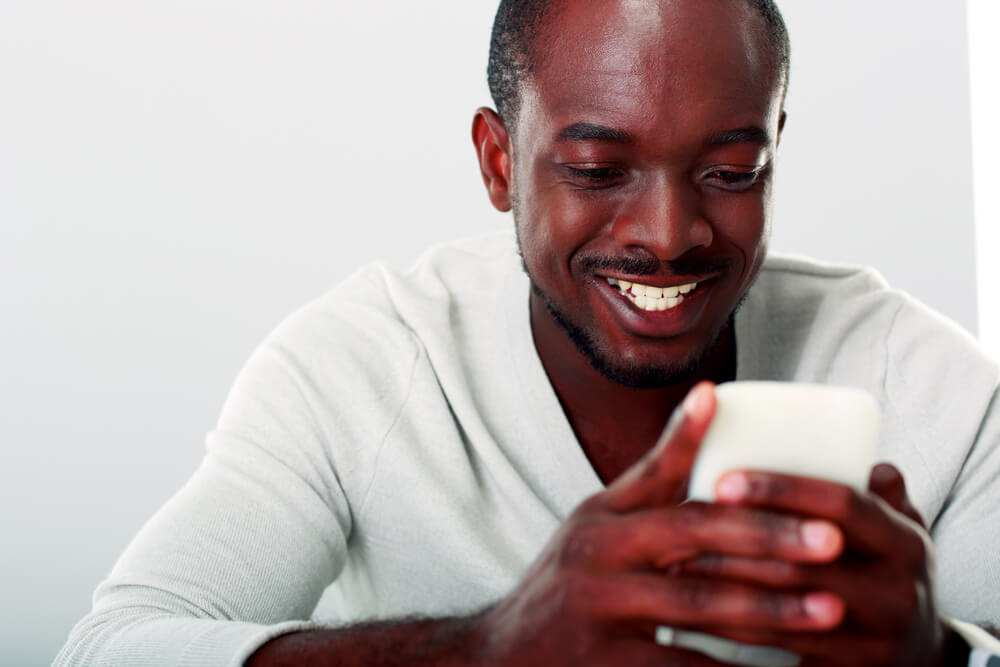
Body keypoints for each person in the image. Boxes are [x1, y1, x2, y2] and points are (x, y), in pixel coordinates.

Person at [57, 1, 1000, 665]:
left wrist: (941, 656)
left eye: (732, 170)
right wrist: (487, 650)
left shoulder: (933, 390)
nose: (668, 236)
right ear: (499, 160)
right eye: (597, 168)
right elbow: (111, 648)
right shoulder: (363, 366)